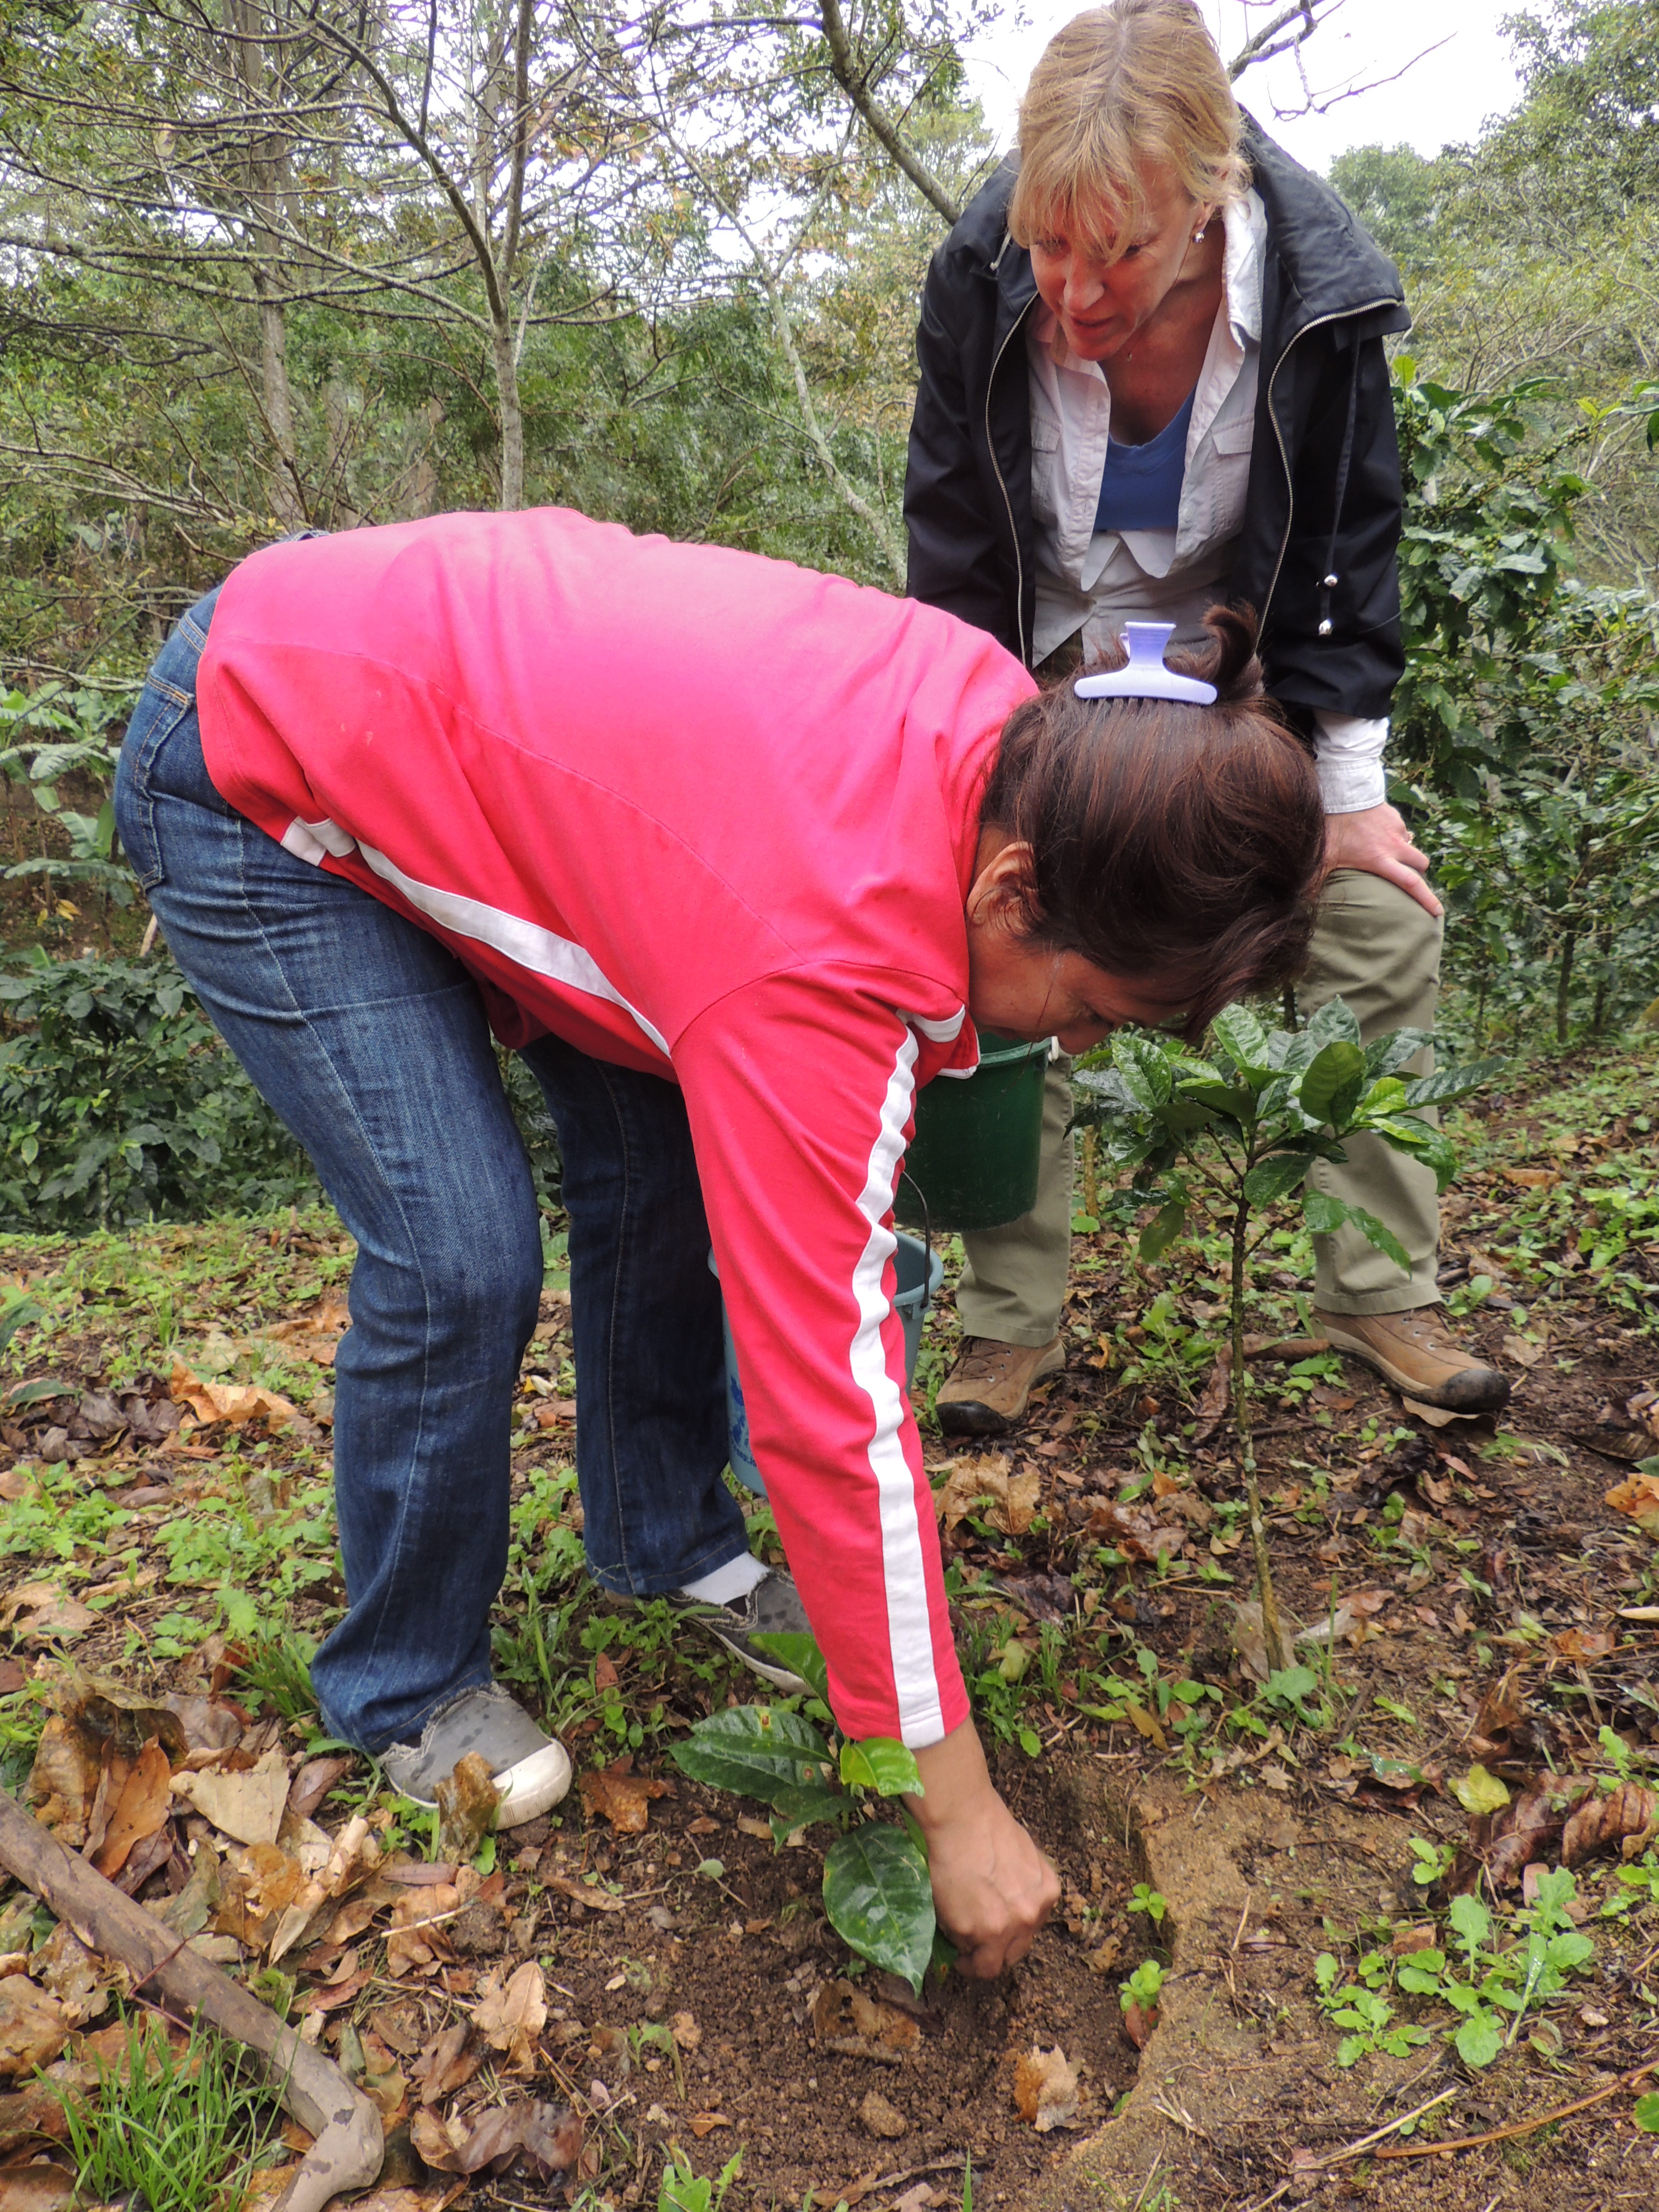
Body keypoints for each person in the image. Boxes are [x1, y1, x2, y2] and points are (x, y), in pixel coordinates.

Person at [114, 505, 1322, 1976]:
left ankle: (662, 1540)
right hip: (260, 754)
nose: (1069, 1051)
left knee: (669, 1165)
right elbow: (829, 1389)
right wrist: (956, 1806)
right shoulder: (818, 943)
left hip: (492, 763)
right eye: (1088, 1011)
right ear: (1011, 890)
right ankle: (404, 1682)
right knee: (461, 1248)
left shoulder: (1036, 755)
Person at [904, 0, 1510, 1432]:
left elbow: (1355, 535)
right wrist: (975, 755)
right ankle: (1006, 1328)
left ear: (1210, 195)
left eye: (1120, 250)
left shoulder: (1320, 288)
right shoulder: (977, 278)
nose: (1078, 293)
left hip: (1240, 678)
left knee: (1379, 920)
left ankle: (1380, 1293)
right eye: (1054, 244)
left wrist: (1347, 789)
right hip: (1043, 679)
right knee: (1008, 926)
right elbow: (952, 542)